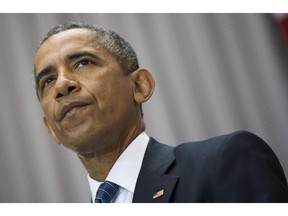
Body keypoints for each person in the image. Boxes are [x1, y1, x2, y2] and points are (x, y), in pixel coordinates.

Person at [33, 22, 288, 203]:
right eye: (47, 80)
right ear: (50, 129)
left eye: (83, 62)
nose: (62, 85)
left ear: (140, 86)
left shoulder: (225, 162)